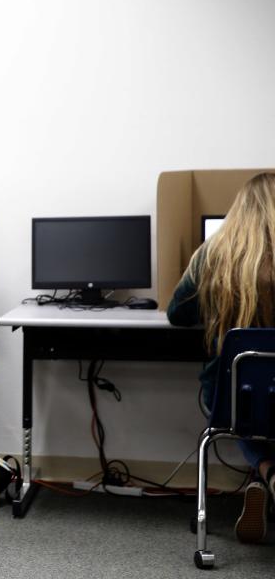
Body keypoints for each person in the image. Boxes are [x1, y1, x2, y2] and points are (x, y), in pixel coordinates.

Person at [168, 172, 275, 544]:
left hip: (232, 400)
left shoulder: (213, 254)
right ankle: (268, 475)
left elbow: (177, 314)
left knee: (246, 408)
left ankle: (267, 472)